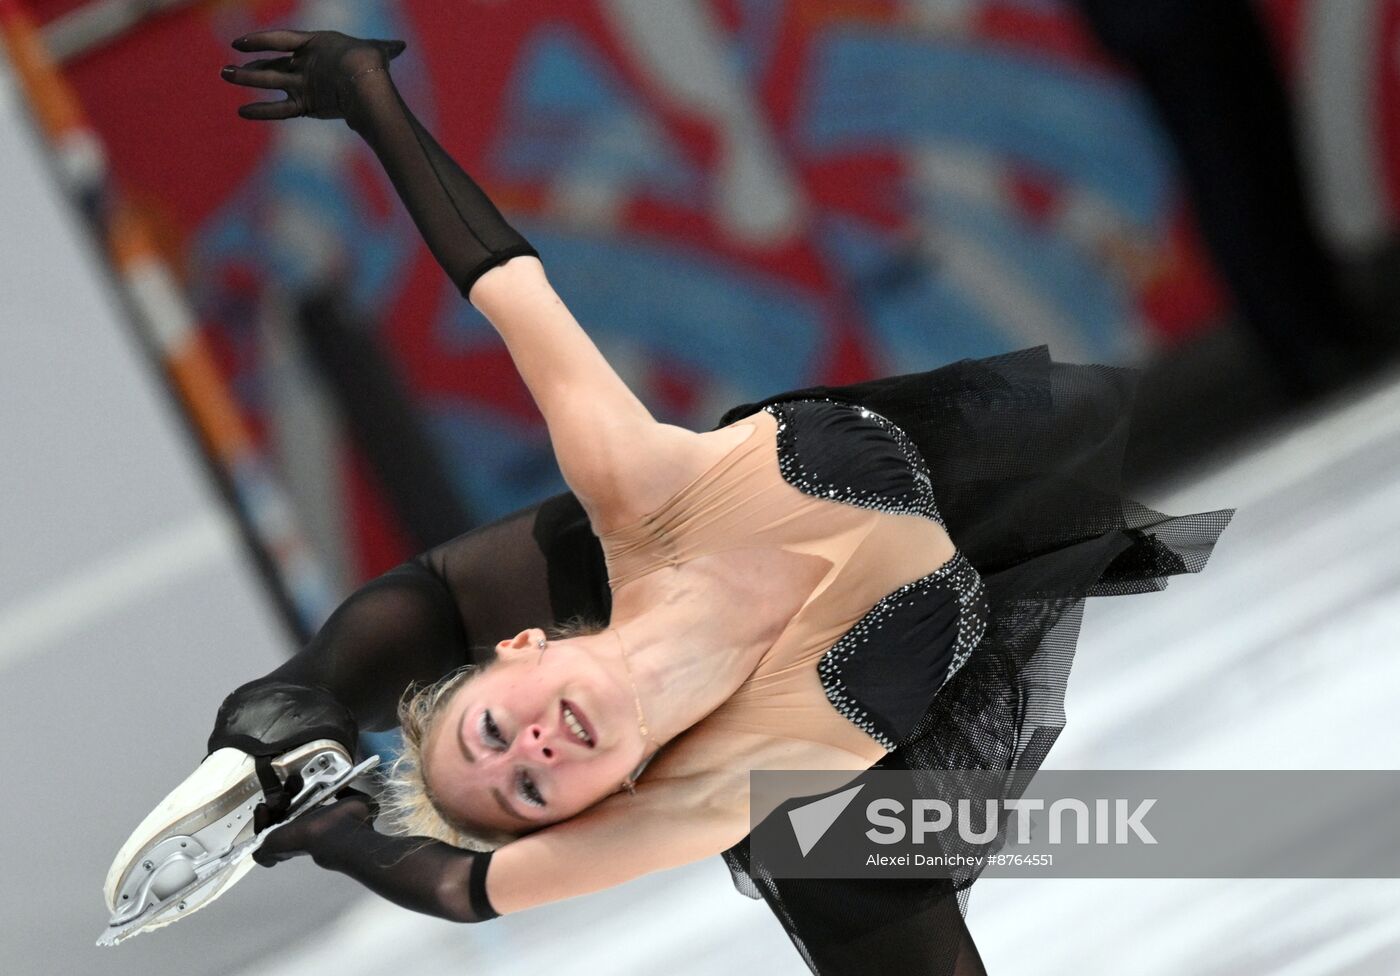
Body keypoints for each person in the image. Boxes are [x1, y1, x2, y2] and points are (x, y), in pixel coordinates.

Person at [104, 30, 1232, 975]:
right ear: (596, 801)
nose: (534, 743)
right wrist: (341, 842)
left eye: (497, 730)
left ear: (521, 652)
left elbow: (504, 283)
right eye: (534, 783)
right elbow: (466, 887)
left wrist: (369, 97)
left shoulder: (638, 493)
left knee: (453, 585)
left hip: (705, 532)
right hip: (834, 729)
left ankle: (286, 706)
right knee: (846, 885)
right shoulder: (710, 791)